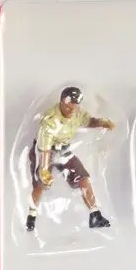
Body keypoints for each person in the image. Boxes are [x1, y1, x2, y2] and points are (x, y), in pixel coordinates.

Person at [27, 86, 115, 231]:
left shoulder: (77, 113)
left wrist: (101, 122)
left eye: (75, 107)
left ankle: (95, 215)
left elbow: (88, 121)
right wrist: (44, 169)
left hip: (63, 150)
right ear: (62, 102)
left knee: (83, 178)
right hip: (44, 151)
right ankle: (31, 216)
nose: (71, 110)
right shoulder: (50, 120)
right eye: (68, 107)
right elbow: (45, 149)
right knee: (40, 183)